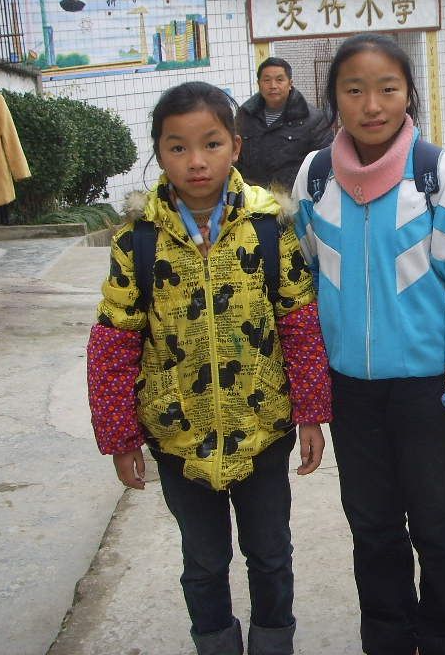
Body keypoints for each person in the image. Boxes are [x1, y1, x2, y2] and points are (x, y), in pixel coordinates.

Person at [86, 81, 332, 655]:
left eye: (211, 144)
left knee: (270, 554)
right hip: (178, 434)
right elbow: (113, 342)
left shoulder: (269, 228)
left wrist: (311, 414)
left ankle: (274, 642)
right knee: (202, 560)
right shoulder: (138, 242)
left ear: (235, 147)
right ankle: (215, 643)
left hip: (263, 428)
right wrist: (120, 436)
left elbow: (299, 324)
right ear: (159, 152)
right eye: (178, 147)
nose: (196, 161)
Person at [292, 33, 445, 655]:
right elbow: (306, 283)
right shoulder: (316, 177)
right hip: (350, 392)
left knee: (436, 524)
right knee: (372, 525)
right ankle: (386, 638)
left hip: (424, 392)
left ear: (408, 92)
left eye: (387, 88)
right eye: (354, 90)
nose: (372, 105)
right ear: (334, 99)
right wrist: (312, 397)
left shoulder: (438, 175)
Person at [238, 57, 332, 190]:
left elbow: (324, 163)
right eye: (267, 80)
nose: (273, 86)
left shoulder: (314, 119)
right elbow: (235, 158)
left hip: (294, 197)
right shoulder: (245, 116)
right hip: (253, 197)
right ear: (258, 84)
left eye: (279, 80)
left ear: (290, 83)